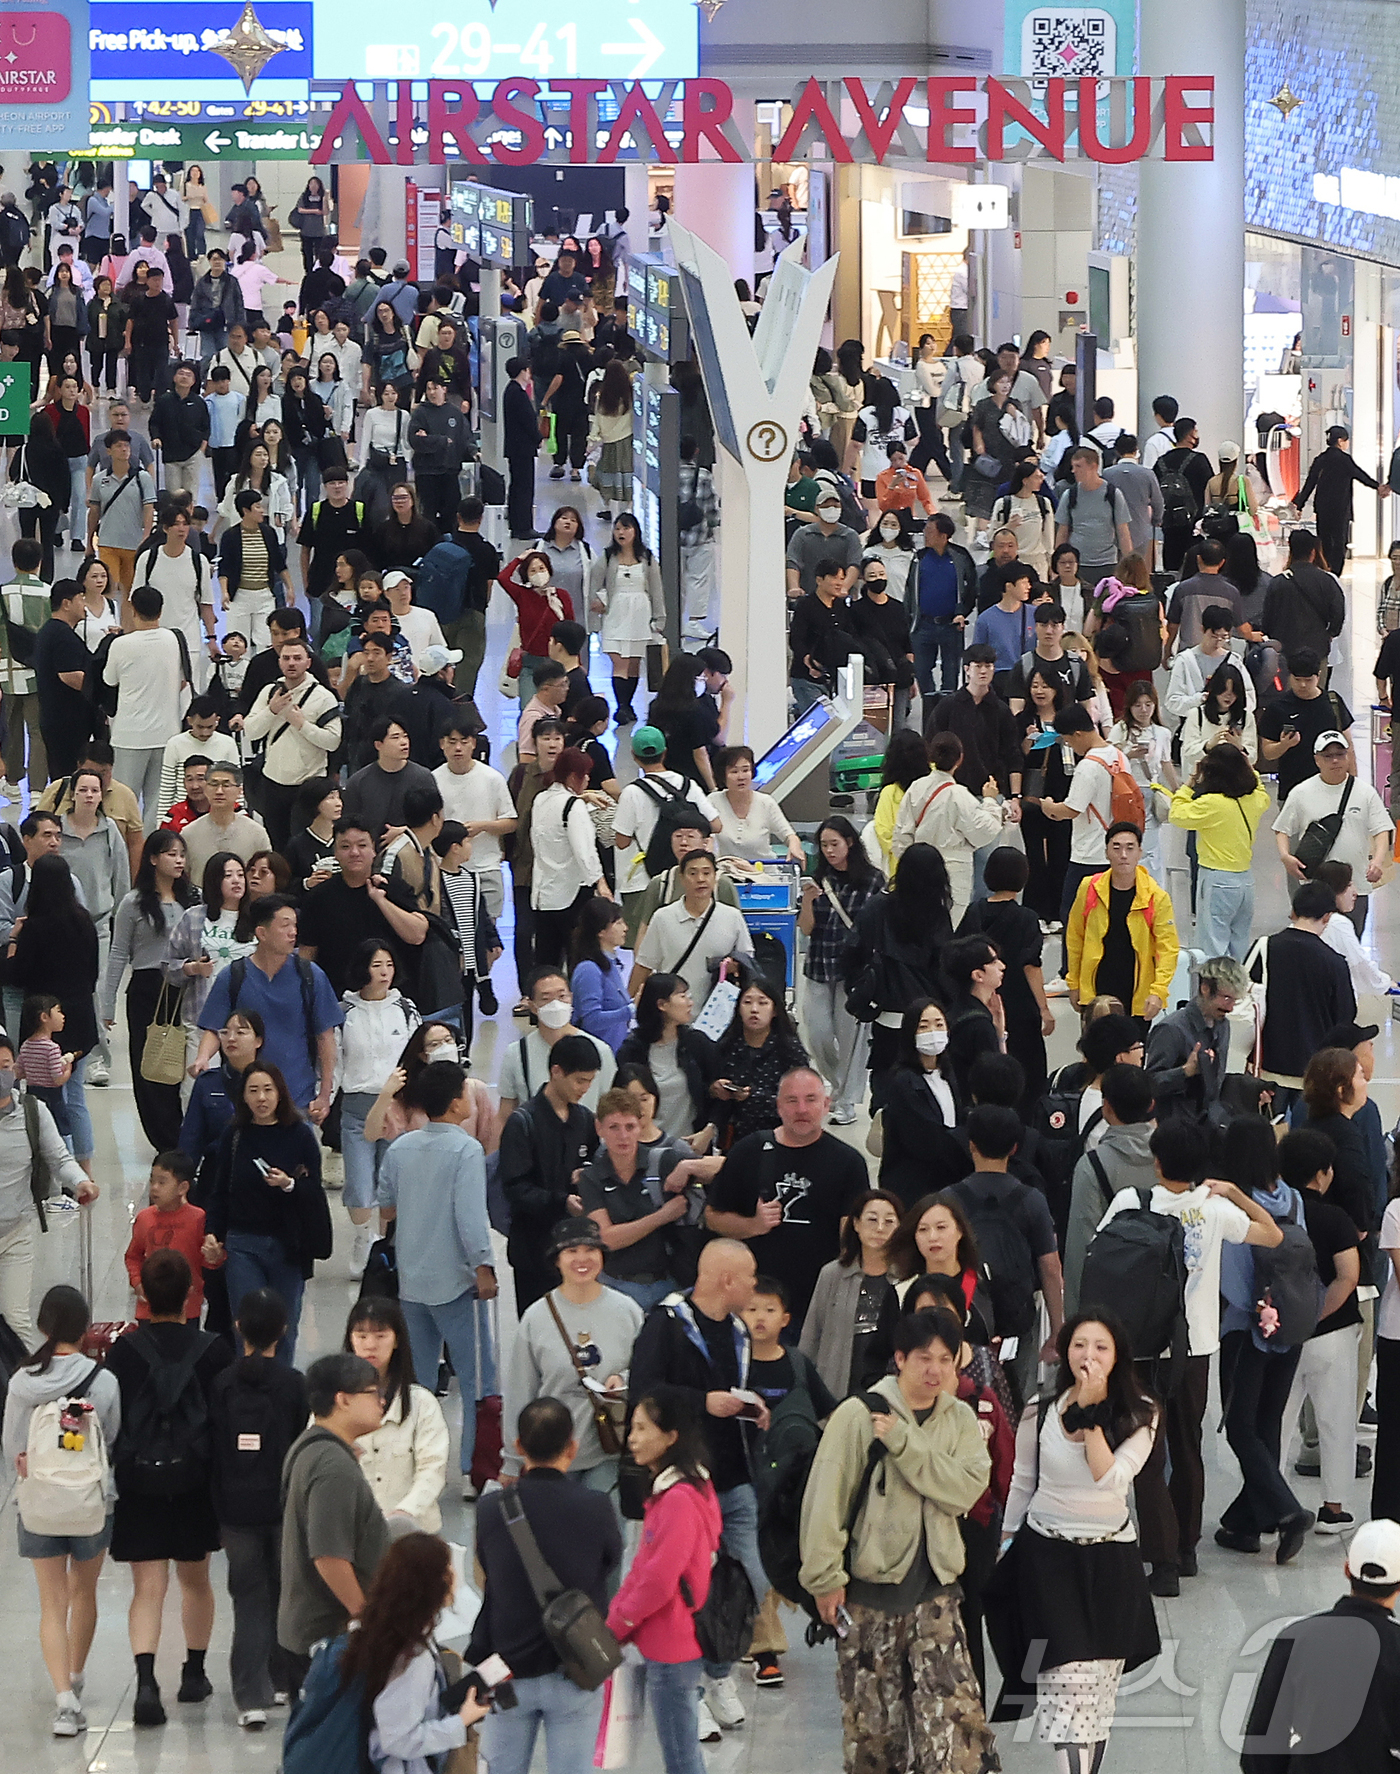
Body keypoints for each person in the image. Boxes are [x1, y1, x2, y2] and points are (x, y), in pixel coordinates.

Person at [798, 1305, 997, 1774]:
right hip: (869, 1599)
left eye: (946, 1360)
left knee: (958, 1732)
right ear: (900, 1358)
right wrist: (824, 1577)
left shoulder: (960, 1421)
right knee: (874, 1738)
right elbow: (826, 1498)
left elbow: (966, 1489)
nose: (935, 1370)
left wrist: (906, 1445)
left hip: (937, 1598)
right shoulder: (858, 1415)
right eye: (924, 1358)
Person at [1097, 1118, 1282, 1595]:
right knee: (1187, 1446)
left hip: (1138, 1348)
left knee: (1146, 1453)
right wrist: (1234, 1193)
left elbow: (1102, 1259)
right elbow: (1272, 1235)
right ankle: (1186, 1550)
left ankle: (1160, 1560)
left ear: (1156, 1161)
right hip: (1196, 1348)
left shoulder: (1130, 1202)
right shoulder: (1215, 1208)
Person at [986, 1311, 1160, 1768]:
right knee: (1068, 1683)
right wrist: (1006, 1544)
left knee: (1098, 1692)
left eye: (1101, 1346)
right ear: (1065, 1352)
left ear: (1117, 1355)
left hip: (1110, 1560)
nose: (1089, 1356)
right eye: (1080, 1345)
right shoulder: (1039, 1409)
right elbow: (1023, 1481)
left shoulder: (1142, 1412)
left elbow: (1110, 1478)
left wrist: (1091, 1416)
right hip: (1048, 1556)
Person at [628, 1240, 772, 1735]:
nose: (755, 1286)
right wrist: (700, 1403)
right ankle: (689, 1691)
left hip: (733, 1477)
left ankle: (719, 1673)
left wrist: (753, 1408)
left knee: (749, 1580)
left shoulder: (736, 1330)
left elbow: (731, 1395)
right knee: (689, 1589)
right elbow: (645, 1393)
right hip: (685, 1483)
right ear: (727, 1279)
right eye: (750, 1276)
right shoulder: (666, 1322)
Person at [106, 1247, 233, 1728]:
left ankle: (145, 1683)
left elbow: (113, 1422)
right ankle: (194, 1675)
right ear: (191, 1293)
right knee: (195, 1582)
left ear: (143, 1294)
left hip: (140, 1481)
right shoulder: (214, 1351)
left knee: (148, 1588)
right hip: (195, 1482)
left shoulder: (123, 1352)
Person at [469, 1397, 622, 1773]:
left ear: (518, 1447)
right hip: (574, 1667)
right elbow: (610, 1564)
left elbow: (487, 1573)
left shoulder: (491, 1510)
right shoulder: (596, 1506)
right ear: (572, 1446)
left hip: (507, 1672)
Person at [2, 1283, 121, 1738]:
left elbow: (13, 1446)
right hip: (92, 1500)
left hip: (39, 1502)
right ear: (86, 1327)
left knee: (50, 1604)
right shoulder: (103, 1380)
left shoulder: (22, 1381)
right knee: (83, 1593)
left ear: (43, 1327)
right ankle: (75, 1673)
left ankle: (63, 1701)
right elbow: (109, 1438)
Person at [375, 1059, 496, 1497]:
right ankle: (473, 1469)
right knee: (478, 1377)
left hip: (412, 1279)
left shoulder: (401, 1148)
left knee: (417, 1383)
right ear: (454, 1101)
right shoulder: (465, 1150)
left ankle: (415, 1465)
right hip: (457, 1283)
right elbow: (469, 1216)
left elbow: (385, 1207)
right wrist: (484, 1265)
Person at [606, 1385, 723, 1771]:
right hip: (671, 1640)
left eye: (641, 1429)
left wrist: (618, 1623)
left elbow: (657, 1579)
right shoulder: (686, 1488)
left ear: (671, 1437)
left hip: (673, 1644)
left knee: (680, 1754)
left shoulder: (677, 1500)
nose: (632, 1439)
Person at [208, 1286, 308, 1730]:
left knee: (248, 1599)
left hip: (235, 1512)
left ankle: (250, 1697)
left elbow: (211, 1449)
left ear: (237, 1327)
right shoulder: (293, 1384)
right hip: (283, 1508)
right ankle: (286, 1680)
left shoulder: (222, 1383)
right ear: (283, 1331)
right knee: (287, 1595)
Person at [705, 1067, 868, 1329]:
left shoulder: (848, 1163)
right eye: (792, 1100)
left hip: (818, 1306)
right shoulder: (750, 1151)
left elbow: (851, 1242)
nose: (801, 1109)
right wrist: (752, 1226)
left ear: (827, 1105)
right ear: (778, 1106)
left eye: (811, 1099)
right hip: (754, 1305)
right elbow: (713, 1217)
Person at [502, 1214, 642, 1501]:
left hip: (610, 1452)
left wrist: (624, 1379)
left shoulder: (628, 1311)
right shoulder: (536, 1318)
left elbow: (648, 1372)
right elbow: (520, 1391)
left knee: (608, 1537)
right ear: (557, 1260)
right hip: (551, 1456)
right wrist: (512, 1461)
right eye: (571, 1251)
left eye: (590, 1250)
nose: (582, 1259)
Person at [276, 1352, 391, 1688]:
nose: (381, 1401)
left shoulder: (317, 1449)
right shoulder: (331, 1465)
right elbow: (329, 1555)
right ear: (343, 1399)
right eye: (373, 1393)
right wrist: (365, 1617)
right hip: (328, 1638)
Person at [194, 893, 342, 1121]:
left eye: (294, 925)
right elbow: (215, 1027)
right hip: (244, 1101)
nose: (293, 932)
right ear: (261, 933)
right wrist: (202, 1058)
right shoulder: (233, 976)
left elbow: (326, 1037)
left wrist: (325, 1094)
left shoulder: (310, 976)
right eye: (285, 925)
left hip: (297, 1098)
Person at [846, 842, 954, 1109]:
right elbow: (945, 968)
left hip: (887, 1012)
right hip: (928, 1016)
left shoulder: (876, 908)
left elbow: (852, 952)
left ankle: (884, 1121)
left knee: (886, 1071)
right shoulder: (938, 915)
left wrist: (861, 988)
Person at [499, 1033, 601, 1315]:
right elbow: (515, 1188)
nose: (585, 1088)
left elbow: (597, 1165)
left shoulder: (584, 1120)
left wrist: (589, 1177)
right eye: (580, 1080)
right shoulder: (523, 1123)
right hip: (534, 1250)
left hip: (577, 1247)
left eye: (590, 1081)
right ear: (556, 1072)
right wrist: (561, 1201)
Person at [343, 1294, 449, 1534]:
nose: (370, 1345)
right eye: (361, 1336)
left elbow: (433, 1469)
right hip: (355, 1535)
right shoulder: (335, 1402)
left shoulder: (422, 1403)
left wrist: (403, 1514)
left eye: (381, 1336)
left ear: (397, 1339)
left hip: (414, 1536)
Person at [1274, 729, 1393, 934]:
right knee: (1317, 946)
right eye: (1328, 756)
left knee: (1352, 943)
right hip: (1317, 887)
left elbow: (1382, 829)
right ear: (1317, 759)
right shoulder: (1302, 792)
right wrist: (1285, 856)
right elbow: (1281, 829)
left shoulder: (1364, 792)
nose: (1335, 761)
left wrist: (1377, 860)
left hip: (1355, 886)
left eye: (1340, 754)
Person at [1254, 881, 1358, 1098]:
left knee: (1272, 1128)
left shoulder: (1265, 947)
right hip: (1315, 1071)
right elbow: (1345, 1018)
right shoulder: (1335, 963)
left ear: (1293, 911)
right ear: (1328, 916)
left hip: (1268, 1066)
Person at [891, 731, 1006, 923]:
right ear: (960, 759)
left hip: (917, 871)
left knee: (917, 930)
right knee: (949, 930)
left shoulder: (916, 788)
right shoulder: (959, 795)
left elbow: (901, 836)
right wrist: (990, 801)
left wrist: (908, 867)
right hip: (954, 872)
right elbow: (984, 832)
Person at [800, 1189, 904, 1399]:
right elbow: (811, 1337)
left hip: (891, 1393)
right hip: (833, 1390)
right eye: (872, 1220)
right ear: (856, 1224)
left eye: (889, 1221)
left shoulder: (908, 1278)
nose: (880, 1228)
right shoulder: (832, 1274)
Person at [616, 973, 721, 1139]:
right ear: (662, 1004)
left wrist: (708, 1131)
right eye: (682, 996)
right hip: (642, 1144)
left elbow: (716, 1094)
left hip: (689, 1143)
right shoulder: (632, 1049)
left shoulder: (697, 1043)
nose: (689, 1002)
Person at [712, 976, 809, 1146]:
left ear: (775, 1010)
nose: (754, 1009)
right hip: (736, 1138)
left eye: (762, 1003)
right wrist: (715, 1089)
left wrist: (753, 1097)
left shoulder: (789, 1050)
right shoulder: (727, 1046)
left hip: (781, 1137)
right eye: (747, 1002)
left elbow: (802, 1101)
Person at [1258, 648, 1355, 804]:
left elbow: (1348, 746)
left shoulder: (1333, 703)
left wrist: (1353, 784)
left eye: (1308, 680)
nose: (1302, 685)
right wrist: (1284, 745)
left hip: (1332, 789)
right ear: (1290, 676)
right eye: (1297, 679)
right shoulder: (1278, 708)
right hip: (1292, 790)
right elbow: (1268, 753)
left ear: (1318, 676)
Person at [1298, 423, 1389, 575]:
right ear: (1340, 441)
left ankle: (1325, 569)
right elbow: (1361, 475)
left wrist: (1299, 505)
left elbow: (1309, 484)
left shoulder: (1320, 459)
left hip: (1323, 509)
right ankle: (1335, 573)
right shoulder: (1344, 459)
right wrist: (1378, 487)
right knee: (1340, 542)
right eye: (1347, 440)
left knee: (1324, 540)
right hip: (1340, 509)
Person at [1054, 447, 1134, 578]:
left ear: (1094, 467)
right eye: (1073, 466)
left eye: (1079, 466)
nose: (1074, 471)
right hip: (1077, 563)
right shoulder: (1070, 495)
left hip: (1108, 563)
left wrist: (1130, 566)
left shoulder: (1112, 494)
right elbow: (1062, 532)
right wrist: (1057, 565)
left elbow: (1123, 533)